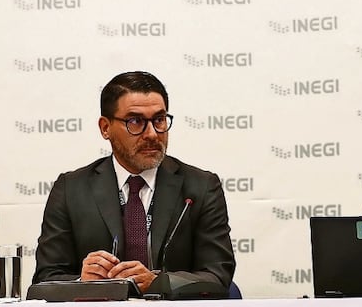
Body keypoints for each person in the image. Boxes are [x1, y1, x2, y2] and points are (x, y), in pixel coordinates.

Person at [33, 71, 235, 294]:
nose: (152, 134)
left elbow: (218, 275)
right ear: (105, 128)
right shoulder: (71, 189)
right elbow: (45, 281)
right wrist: (82, 282)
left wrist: (158, 282)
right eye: (135, 121)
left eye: (159, 120)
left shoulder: (201, 187)